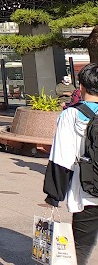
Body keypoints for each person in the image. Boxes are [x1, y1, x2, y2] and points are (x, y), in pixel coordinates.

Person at [44, 63, 98, 264]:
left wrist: (54, 193)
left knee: (80, 249)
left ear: (81, 87)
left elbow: (61, 158)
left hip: (87, 190)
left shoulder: (71, 114)